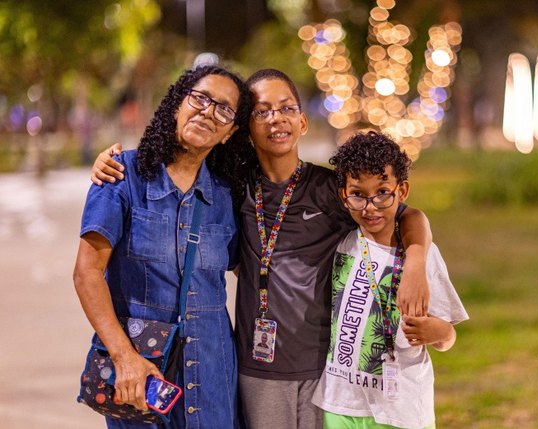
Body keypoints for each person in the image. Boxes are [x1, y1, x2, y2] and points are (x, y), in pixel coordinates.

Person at [90, 68, 432, 429]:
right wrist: (111, 164)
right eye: (261, 111)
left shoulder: (329, 189)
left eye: (285, 108)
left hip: (324, 367)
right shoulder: (232, 189)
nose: (276, 119)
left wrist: (416, 262)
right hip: (257, 371)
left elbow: (406, 216)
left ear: (302, 121)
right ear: (245, 128)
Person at [74, 64, 251, 428]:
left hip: (213, 376)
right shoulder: (121, 176)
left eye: (224, 108)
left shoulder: (227, 196)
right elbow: (86, 273)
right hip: (141, 374)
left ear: (229, 132)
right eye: (200, 98)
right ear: (177, 104)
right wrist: (124, 358)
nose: (207, 111)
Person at [312, 131, 468, 429]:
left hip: (402, 409)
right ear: (344, 195)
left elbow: (448, 338)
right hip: (340, 403)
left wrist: (440, 332)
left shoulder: (422, 256)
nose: (370, 207)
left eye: (382, 192)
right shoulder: (343, 243)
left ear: (402, 190)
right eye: (358, 194)